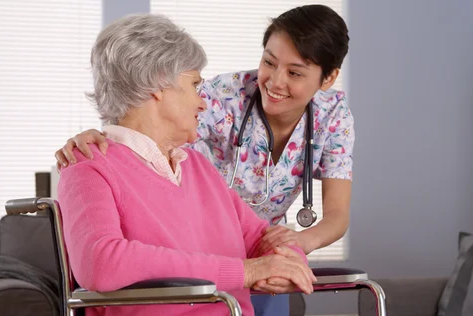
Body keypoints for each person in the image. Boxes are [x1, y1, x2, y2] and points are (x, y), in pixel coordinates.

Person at [56, 5, 352, 315]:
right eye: (196, 84)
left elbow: (264, 239)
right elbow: (100, 263)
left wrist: (289, 260)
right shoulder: (90, 165)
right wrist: (247, 271)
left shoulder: (196, 166)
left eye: (294, 72)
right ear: (158, 84)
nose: (202, 100)